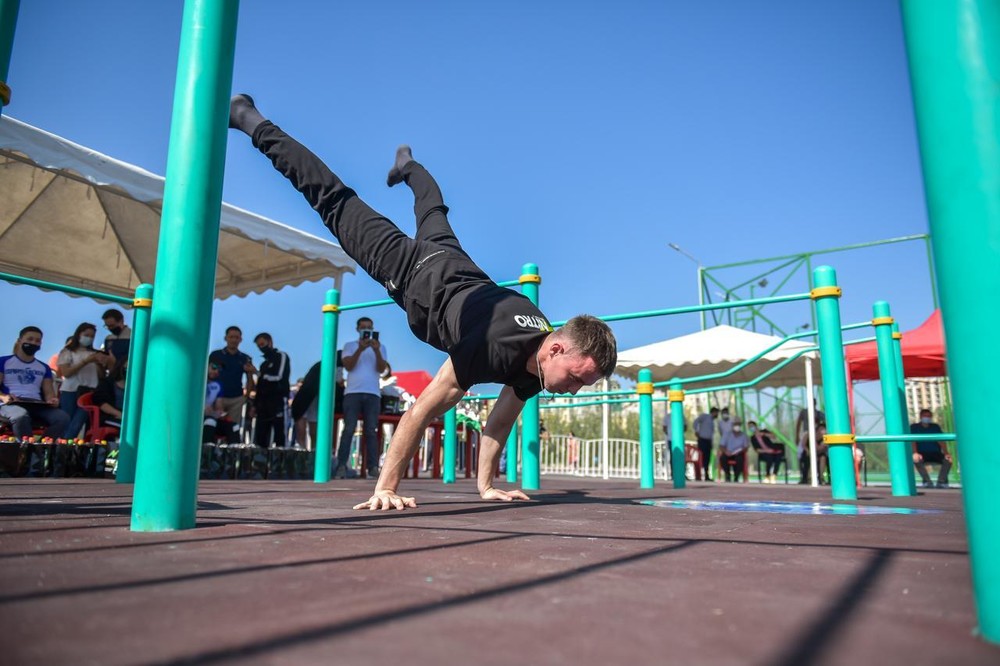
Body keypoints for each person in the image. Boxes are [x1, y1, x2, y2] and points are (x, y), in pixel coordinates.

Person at [230, 94, 617, 510]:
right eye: (576, 378)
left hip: (453, 260)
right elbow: (420, 412)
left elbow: (502, 419)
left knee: (434, 207)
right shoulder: (491, 347)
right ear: (556, 348)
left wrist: (487, 486)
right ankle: (249, 118)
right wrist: (386, 488)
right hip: (408, 267)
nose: (573, 390)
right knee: (332, 198)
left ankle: (408, 165)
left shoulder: (539, 360)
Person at [334, 317, 389, 479]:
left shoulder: (381, 347)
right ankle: (341, 466)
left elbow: (381, 369)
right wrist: (360, 349)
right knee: (349, 429)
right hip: (352, 392)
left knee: (371, 431)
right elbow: (348, 366)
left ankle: (373, 468)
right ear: (357, 329)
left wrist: (376, 350)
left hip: (373, 393)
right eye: (364, 327)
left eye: (369, 328)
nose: (367, 331)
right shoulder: (349, 346)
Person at [0, 326, 70, 439]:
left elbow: (49, 393)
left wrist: (53, 400)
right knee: (20, 415)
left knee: (62, 417)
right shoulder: (3, 362)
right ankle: (27, 446)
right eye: (30, 339)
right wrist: (4, 397)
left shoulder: (43, 367)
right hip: (10, 404)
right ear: (19, 341)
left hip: (36, 404)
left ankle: (42, 446)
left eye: (37, 341)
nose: (33, 343)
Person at [57, 322, 111, 439]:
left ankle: (67, 443)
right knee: (67, 421)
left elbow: (101, 376)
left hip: (88, 391)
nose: (89, 338)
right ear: (78, 334)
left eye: (92, 336)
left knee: (78, 422)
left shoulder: (95, 353)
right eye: (86, 335)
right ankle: (63, 444)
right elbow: (66, 373)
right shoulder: (67, 352)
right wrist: (86, 361)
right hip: (70, 391)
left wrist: (99, 364)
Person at [208, 326, 257, 438]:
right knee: (211, 424)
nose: (234, 340)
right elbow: (208, 374)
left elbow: (249, 378)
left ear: (240, 339)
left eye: (236, 337)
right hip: (215, 396)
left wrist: (246, 397)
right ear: (226, 338)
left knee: (233, 428)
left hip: (236, 398)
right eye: (231, 337)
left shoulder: (245, 358)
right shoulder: (215, 355)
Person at [252, 332, 290, 448]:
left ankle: (282, 457)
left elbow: (279, 376)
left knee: (280, 434)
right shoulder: (263, 364)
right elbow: (260, 386)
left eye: (262, 344)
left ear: (270, 342)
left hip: (278, 401)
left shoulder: (281, 356)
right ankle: (261, 457)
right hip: (263, 404)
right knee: (261, 435)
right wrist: (255, 405)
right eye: (259, 346)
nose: (261, 348)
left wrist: (258, 373)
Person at [911, 408, 952, 489]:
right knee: (916, 459)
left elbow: (941, 441)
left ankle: (941, 482)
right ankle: (927, 482)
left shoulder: (935, 427)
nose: (927, 418)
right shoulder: (914, 427)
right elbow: (913, 441)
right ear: (920, 416)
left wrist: (946, 453)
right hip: (921, 453)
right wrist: (915, 452)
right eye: (925, 416)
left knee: (948, 460)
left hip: (935, 453)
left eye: (929, 416)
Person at [203, 362, 241, 445]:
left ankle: (233, 450)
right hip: (197, 419)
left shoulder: (218, 385)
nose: (216, 371)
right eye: (213, 367)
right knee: (210, 421)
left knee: (234, 426)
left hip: (210, 416)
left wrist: (220, 412)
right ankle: (206, 449)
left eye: (219, 369)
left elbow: (219, 405)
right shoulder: (197, 381)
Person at [92, 359, 127, 428]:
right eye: (126, 368)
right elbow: (102, 403)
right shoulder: (107, 383)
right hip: (112, 416)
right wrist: (120, 414)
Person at [690, 407, 717, 481]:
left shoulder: (712, 421)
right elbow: (696, 422)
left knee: (707, 459)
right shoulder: (705, 416)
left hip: (708, 441)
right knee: (701, 457)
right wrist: (696, 431)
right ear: (713, 412)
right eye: (716, 413)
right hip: (702, 440)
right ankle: (699, 475)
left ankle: (706, 475)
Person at [718, 418, 749, 482]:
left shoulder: (744, 436)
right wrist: (726, 451)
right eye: (735, 424)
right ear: (732, 425)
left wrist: (741, 450)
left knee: (740, 459)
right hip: (728, 453)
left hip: (738, 453)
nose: (737, 426)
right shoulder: (727, 434)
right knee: (723, 458)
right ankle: (727, 475)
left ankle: (736, 477)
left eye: (738, 424)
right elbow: (721, 445)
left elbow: (746, 447)